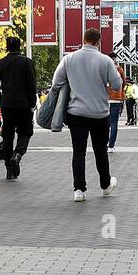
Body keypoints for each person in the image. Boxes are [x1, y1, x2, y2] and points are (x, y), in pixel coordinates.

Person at [50, 27, 122, 201]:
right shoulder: (105, 61)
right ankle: (105, 185)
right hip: (99, 113)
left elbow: (56, 83)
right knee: (100, 151)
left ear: (83, 39)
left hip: (76, 113)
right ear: (98, 41)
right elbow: (116, 84)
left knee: (78, 151)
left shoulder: (69, 59)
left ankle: (79, 190)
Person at [0, 36, 36, 179]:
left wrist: (0, 100)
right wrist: (32, 103)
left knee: (8, 135)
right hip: (23, 105)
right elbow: (31, 84)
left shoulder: (0, 63)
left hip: (7, 105)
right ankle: (18, 154)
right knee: (25, 132)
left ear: (7, 47)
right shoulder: (26, 62)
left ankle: (9, 169)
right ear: (20, 47)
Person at [107, 58, 126, 150]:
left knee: (105, 123)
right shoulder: (119, 69)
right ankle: (111, 145)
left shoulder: (103, 68)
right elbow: (123, 82)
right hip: (116, 99)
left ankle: (104, 143)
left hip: (105, 100)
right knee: (114, 123)